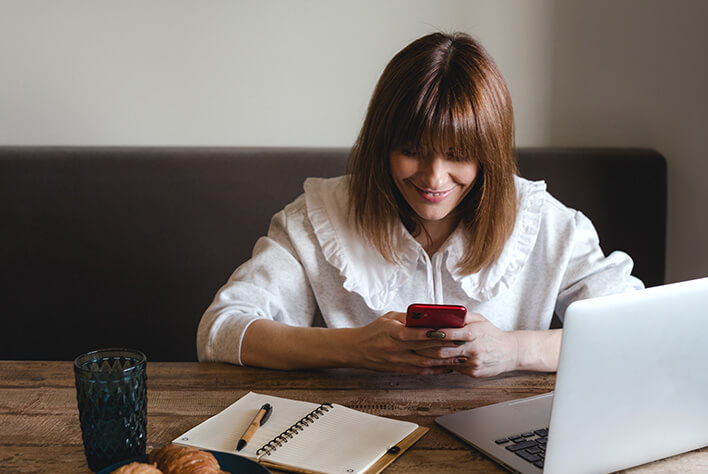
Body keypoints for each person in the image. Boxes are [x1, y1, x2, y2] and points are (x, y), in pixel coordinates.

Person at [197, 32, 643, 377]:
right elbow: (220, 331)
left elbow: (633, 327)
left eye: (457, 154)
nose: (433, 178)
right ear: (382, 145)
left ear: (488, 154)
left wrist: (514, 351)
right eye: (412, 149)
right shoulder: (318, 217)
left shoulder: (545, 223)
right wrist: (355, 348)